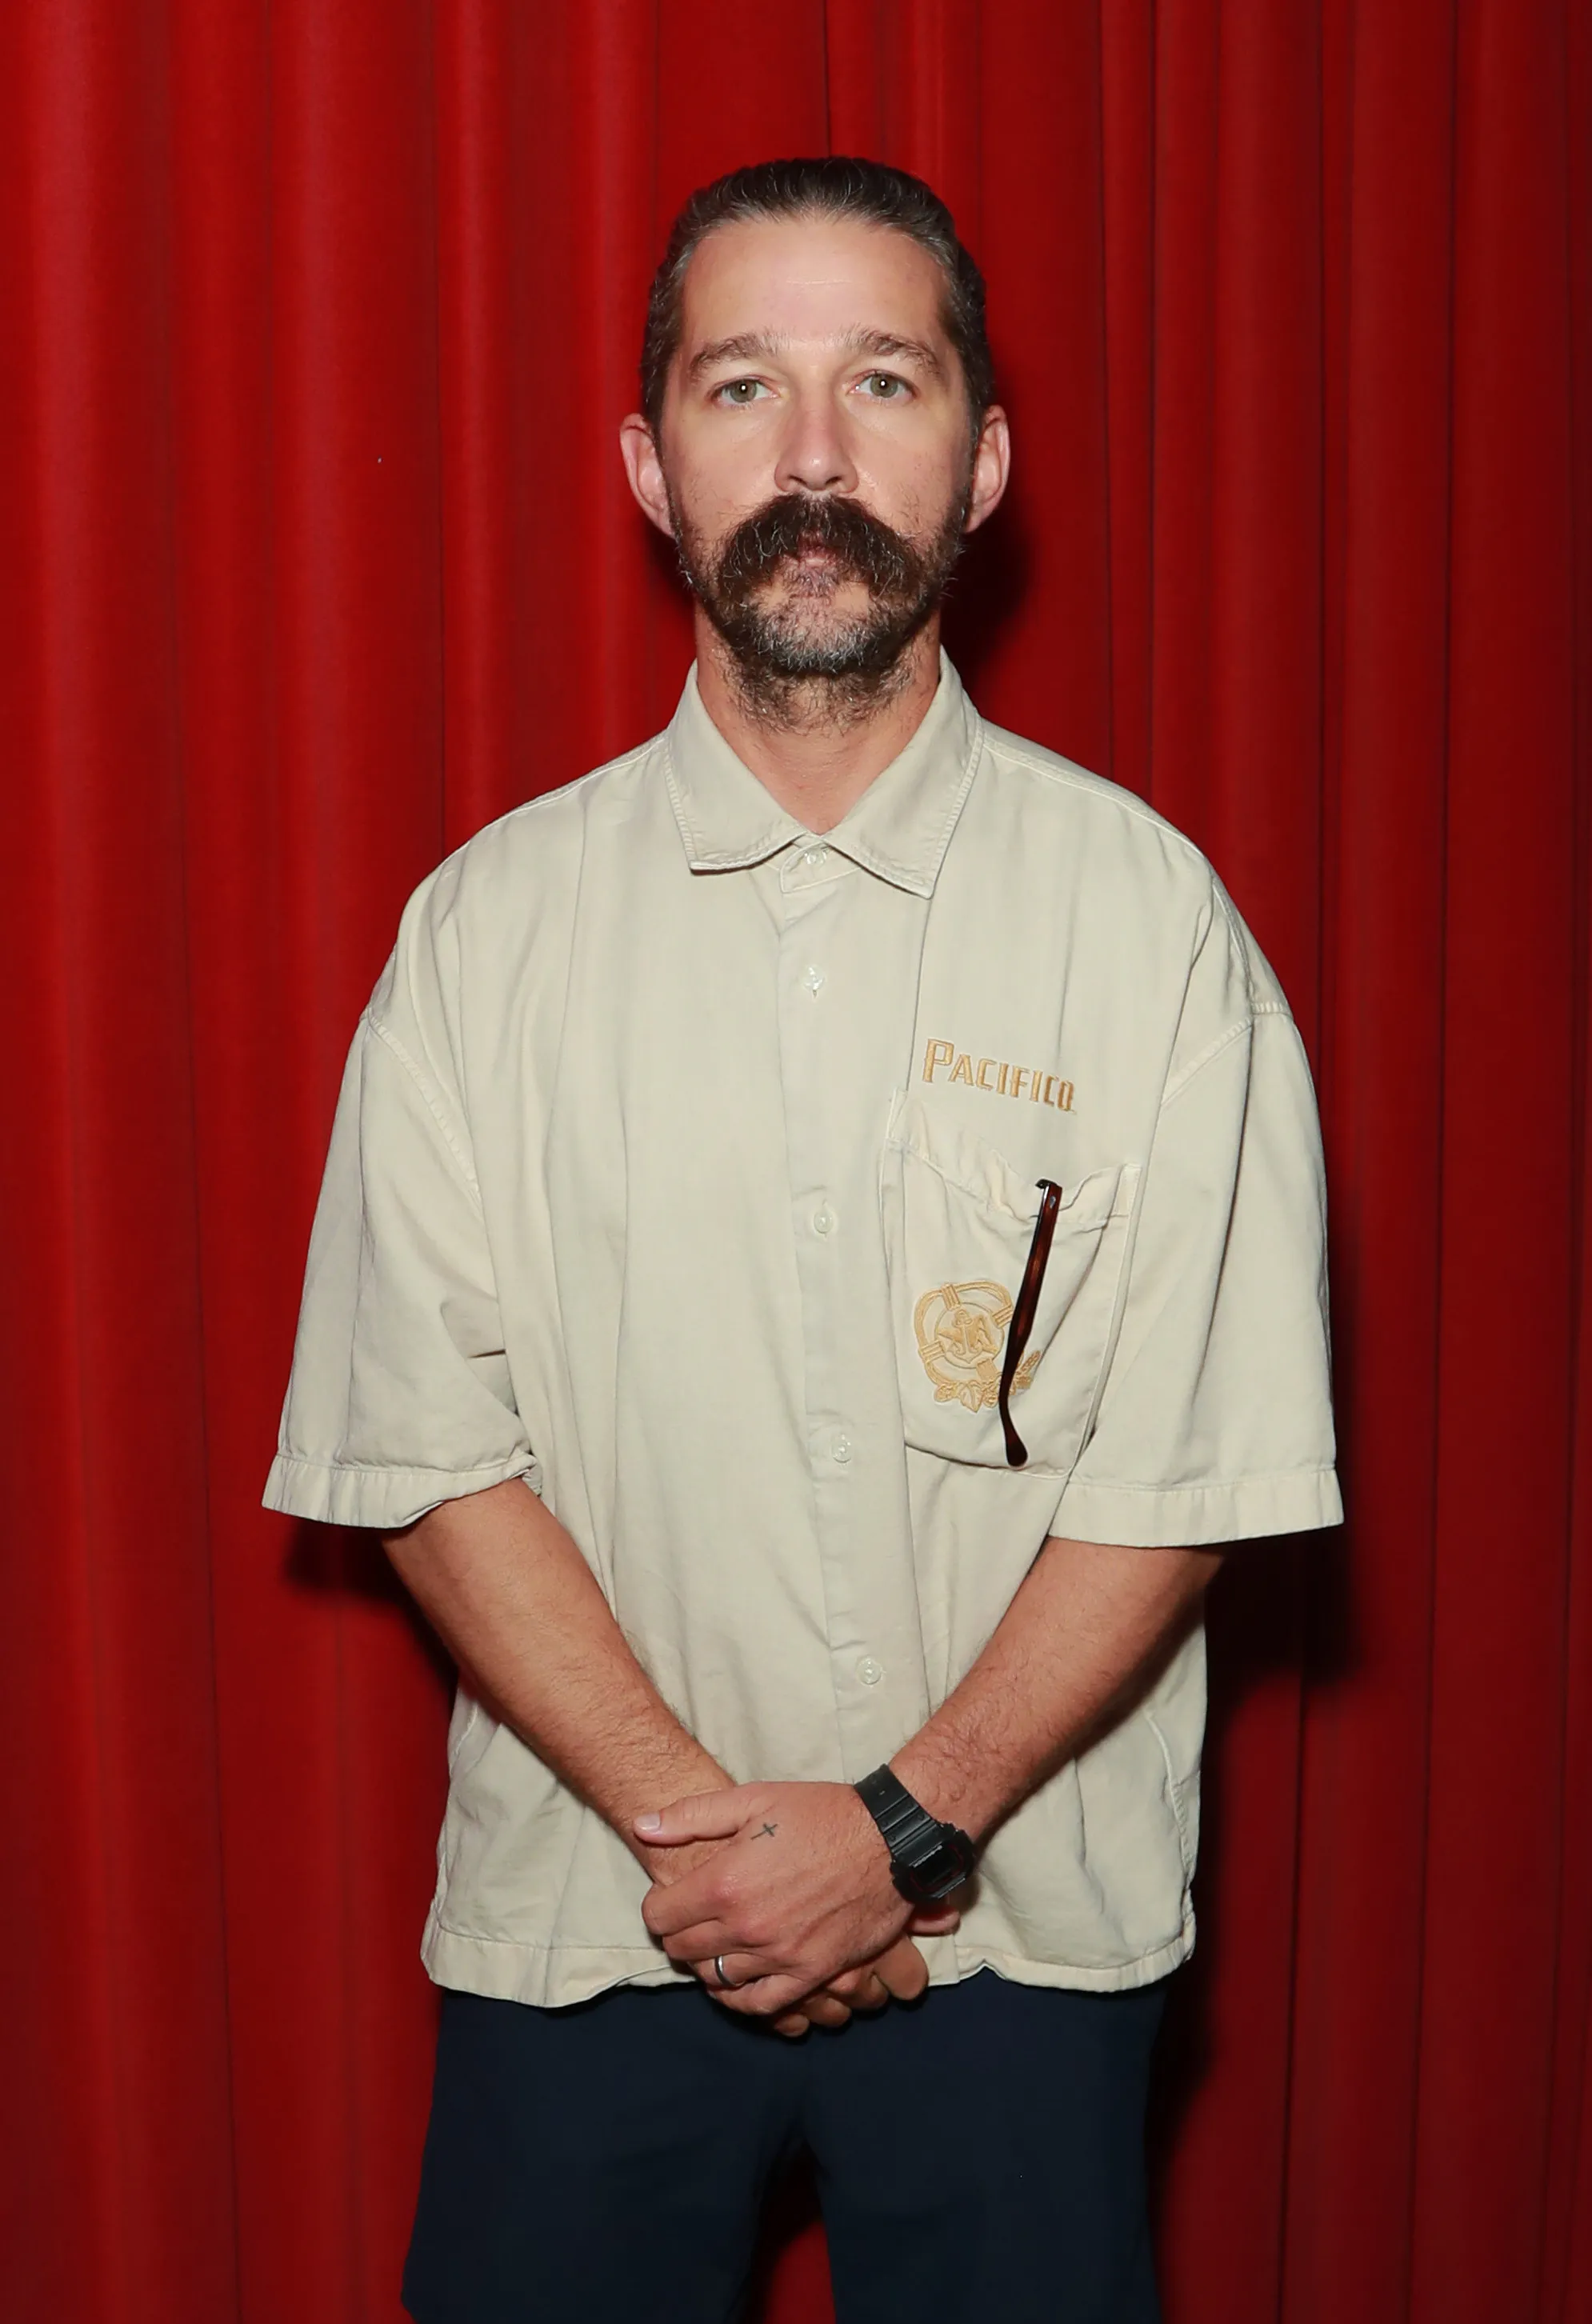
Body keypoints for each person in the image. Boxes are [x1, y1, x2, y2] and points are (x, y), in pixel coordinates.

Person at [265, 156, 1341, 2324]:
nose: (819, 458)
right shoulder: (484, 939)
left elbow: (1185, 1474)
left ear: (987, 458)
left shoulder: (1151, 931)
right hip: (591, 1922)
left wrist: (898, 1832)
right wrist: (717, 1840)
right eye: (747, 388)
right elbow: (426, 1448)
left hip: (1016, 1932)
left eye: (888, 381)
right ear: (654, 467)